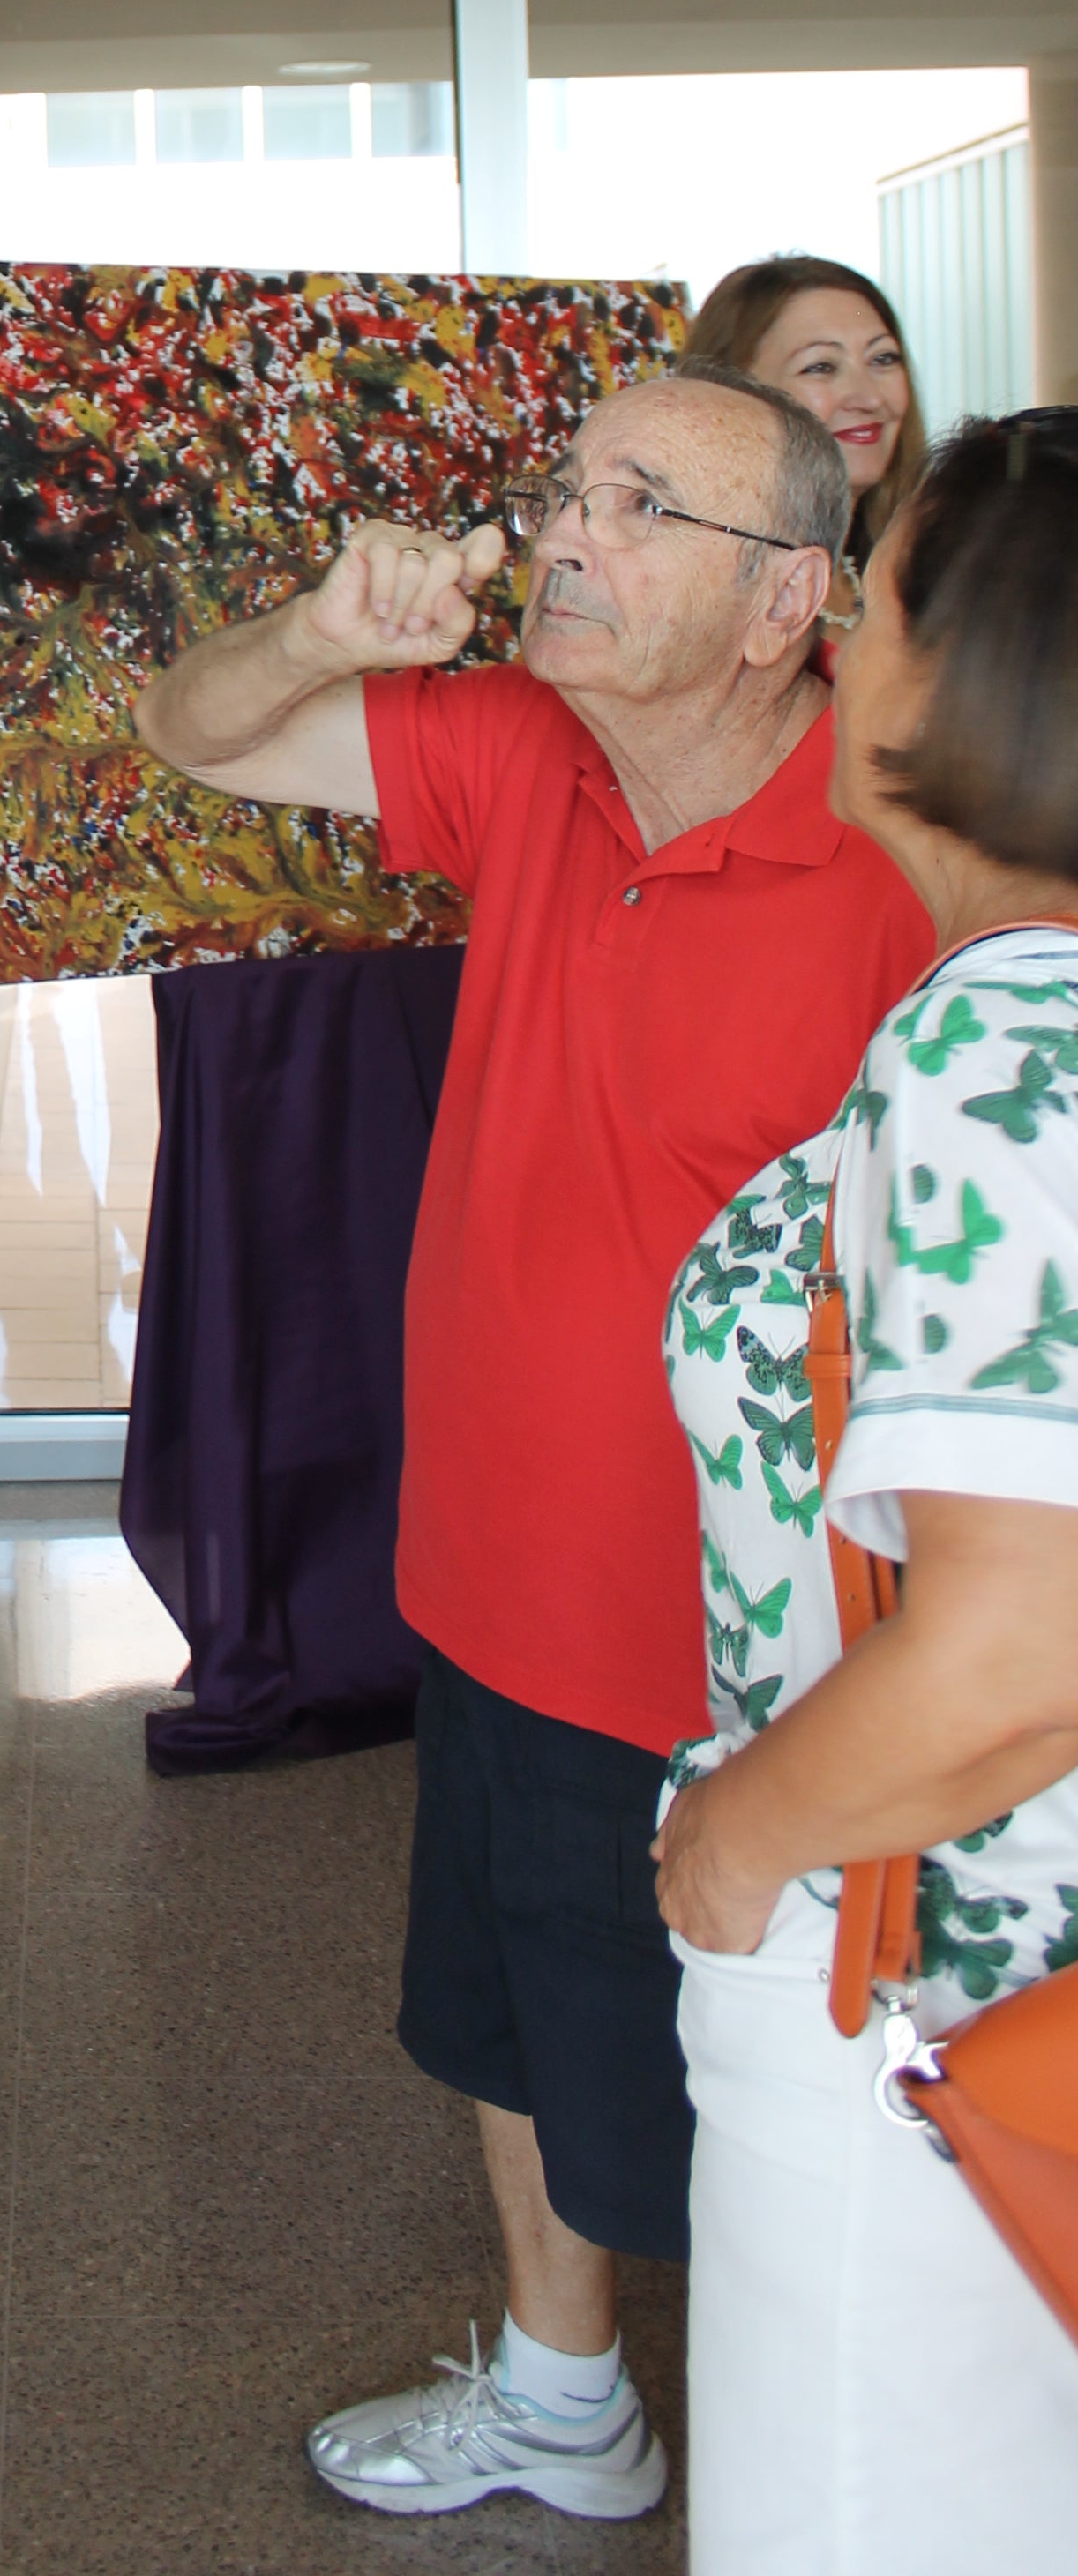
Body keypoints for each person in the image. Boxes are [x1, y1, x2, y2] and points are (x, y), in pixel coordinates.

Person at [134, 365, 932, 2522]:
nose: (560, 533)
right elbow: (179, 731)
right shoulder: (514, 757)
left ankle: (846, 2484)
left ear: (783, 599)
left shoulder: (900, 846)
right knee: (498, 2024)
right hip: (488, 1579)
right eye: (564, 487)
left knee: (787, 2112)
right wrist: (314, 633)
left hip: (764, 1656)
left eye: (632, 504)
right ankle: (562, 2401)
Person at [655, 411, 1078, 2563]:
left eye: (873, 587)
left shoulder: (1000, 1040)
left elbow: (1019, 1646)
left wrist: (728, 1847)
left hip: (931, 1988)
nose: (829, 627)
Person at [685, 255, 925, 568]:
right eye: (821, 367)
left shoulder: (914, 572)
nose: (869, 398)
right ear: (733, 393)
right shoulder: (705, 590)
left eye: (882, 359)